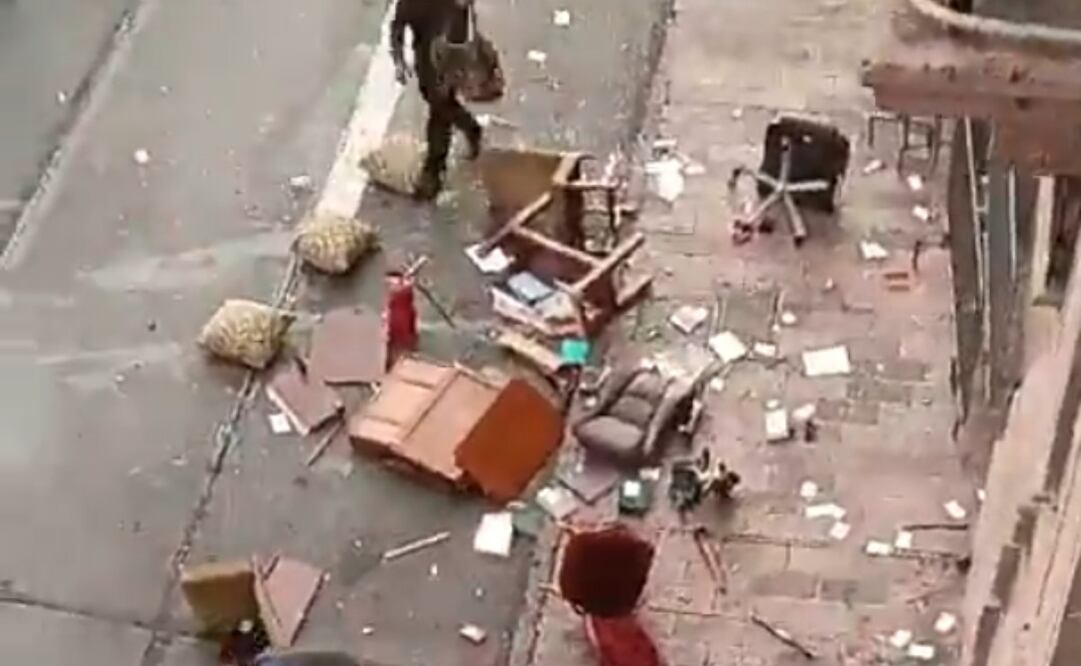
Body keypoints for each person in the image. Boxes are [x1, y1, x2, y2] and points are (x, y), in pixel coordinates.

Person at [391, 0, 483, 201]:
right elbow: (398, 24)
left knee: (439, 105)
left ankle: (434, 170)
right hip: (424, 48)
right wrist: (398, 59)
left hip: (449, 44)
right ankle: (469, 125)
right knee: (435, 97)